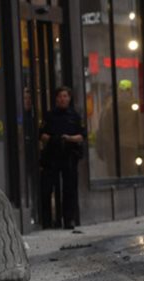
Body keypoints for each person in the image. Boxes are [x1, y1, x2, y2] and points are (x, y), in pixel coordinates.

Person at [39, 86, 86, 230]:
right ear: (56, 99)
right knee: (47, 188)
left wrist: (69, 138)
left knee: (69, 189)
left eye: (65, 96)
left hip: (69, 155)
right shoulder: (49, 116)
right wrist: (53, 139)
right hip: (52, 155)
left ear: (69, 98)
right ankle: (47, 221)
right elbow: (42, 134)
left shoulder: (75, 116)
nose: (62, 99)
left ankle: (69, 219)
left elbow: (82, 136)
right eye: (60, 96)